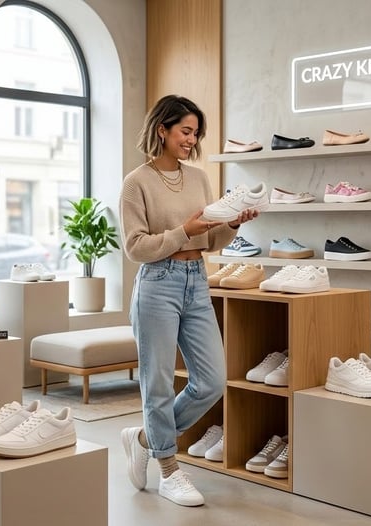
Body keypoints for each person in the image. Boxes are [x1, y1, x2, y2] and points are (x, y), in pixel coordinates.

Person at [118, 95, 259, 507]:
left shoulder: (198, 178)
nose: (191, 139)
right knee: (158, 383)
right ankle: (168, 469)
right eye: (185, 131)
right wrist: (183, 230)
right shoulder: (136, 182)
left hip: (197, 280)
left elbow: (210, 238)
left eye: (195, 133)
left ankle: (145, 438)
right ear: (162, 129)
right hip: (157, 283)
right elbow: (135, 247)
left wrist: (232, 223)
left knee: (212, 380)